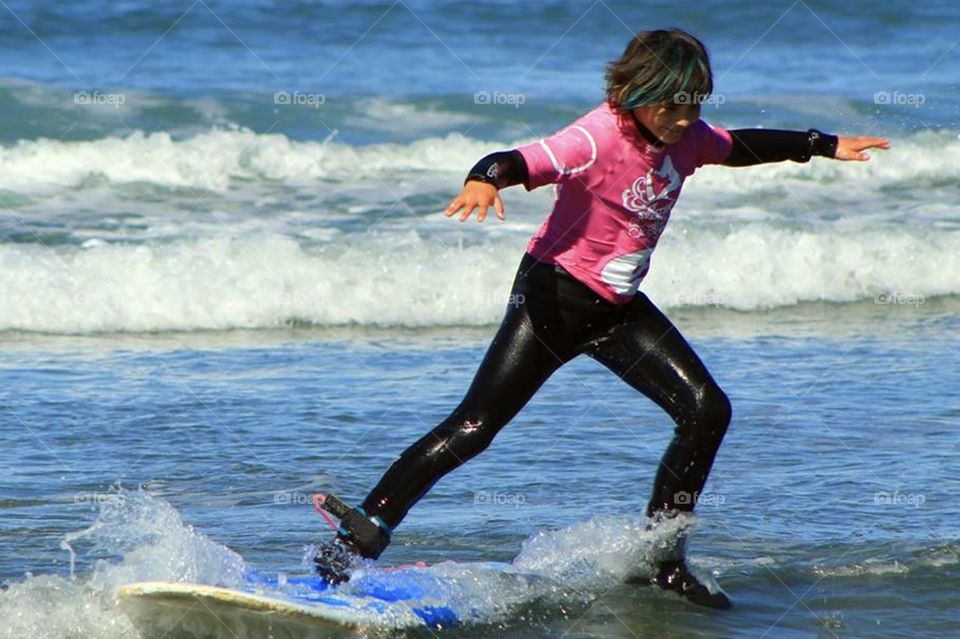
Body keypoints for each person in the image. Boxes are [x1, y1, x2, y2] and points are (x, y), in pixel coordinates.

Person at [314, 28, 889, 608]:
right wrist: (484, 179)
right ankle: (353, 541)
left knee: (706, 409)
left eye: (696, 103)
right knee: (475, 428)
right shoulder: (595, 138)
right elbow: (519, 159)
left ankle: (662, 560)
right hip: (552, 301)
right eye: (674, 103)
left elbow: (738, 145)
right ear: (638, 91)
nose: (687, 117)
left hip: (616, 311)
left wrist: (819, 143)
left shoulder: (685, 138)